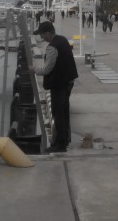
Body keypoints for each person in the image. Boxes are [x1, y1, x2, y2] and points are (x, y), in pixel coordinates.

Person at [33, 21, 79, 153]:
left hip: (59, 84)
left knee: (58, 114)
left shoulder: (52, 47)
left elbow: (47, 69)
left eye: (42, 35)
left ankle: (60, 144)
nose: (42, 38)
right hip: (69, 82)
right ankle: (65, 139)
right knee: (64, 112)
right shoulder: (63, 40)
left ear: (48, 32)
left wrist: (34, 69)